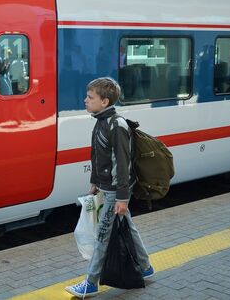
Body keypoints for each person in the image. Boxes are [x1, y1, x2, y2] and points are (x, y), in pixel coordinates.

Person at [65, 77, 154, 297]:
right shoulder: (101, 120)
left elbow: (122, 165)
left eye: (90, 97)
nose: (85, 100)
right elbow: (98, 155)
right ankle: (145, 268)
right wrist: (95, 181)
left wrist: (122, 199)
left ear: (104, 101)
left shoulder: (117, 125)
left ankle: (91, 283)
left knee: (103, 236)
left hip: (117, 190)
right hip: (109, 187)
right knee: (129, 228)